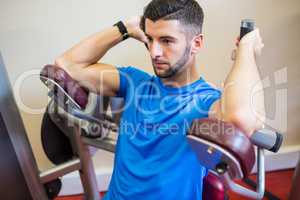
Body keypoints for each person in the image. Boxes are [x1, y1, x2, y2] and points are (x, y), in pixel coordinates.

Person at [54, 0, 265, 199]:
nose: (154, 52)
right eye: (150, 39)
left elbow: (240, 118)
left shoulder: (206, 101)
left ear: (196, 44)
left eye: (166, 41)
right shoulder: (134, 82)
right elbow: (67, 65)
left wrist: (245, 50)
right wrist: (125, 27)